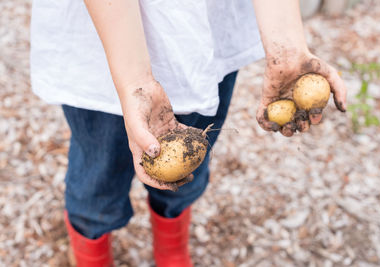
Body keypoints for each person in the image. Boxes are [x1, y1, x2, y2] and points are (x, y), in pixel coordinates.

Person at [30, 0, 347, 266]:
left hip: (207, 31)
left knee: (187, 169)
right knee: (96, 181)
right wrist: (135, 82)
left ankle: (171, 247)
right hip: (105, 38)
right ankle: (91, 253)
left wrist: (287, 45)